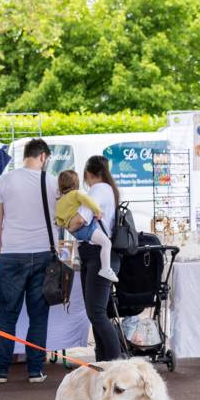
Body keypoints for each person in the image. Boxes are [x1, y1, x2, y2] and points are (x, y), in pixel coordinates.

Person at [0, 139, 59, 384]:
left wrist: (0, 255)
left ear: (26, 156)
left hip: (12, 254)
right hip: (45, 254)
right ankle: (36, 370)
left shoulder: (4, 180)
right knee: (38, 316)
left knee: (5, 315)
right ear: (43, 157)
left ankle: (0, 370)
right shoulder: (52, 182)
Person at [79, 155, 124, 362]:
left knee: (96, 313)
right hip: (103, 255)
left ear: (88, 173)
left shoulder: (97, 190)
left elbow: (82, 219)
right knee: (98, 313)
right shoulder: (110, 189)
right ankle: (104, 362)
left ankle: (116, 363)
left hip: (96, 254)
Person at [55, 170, 118, 282]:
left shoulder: (59, 201)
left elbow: (58, 220)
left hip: (75, 232)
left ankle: (78, 258)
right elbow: (88, 201)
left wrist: (66, 225)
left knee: (81, 243)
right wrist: (97, 211)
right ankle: (106, 269)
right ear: (76, 183)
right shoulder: (76, 194)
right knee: (106, 243)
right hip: (85, 228)